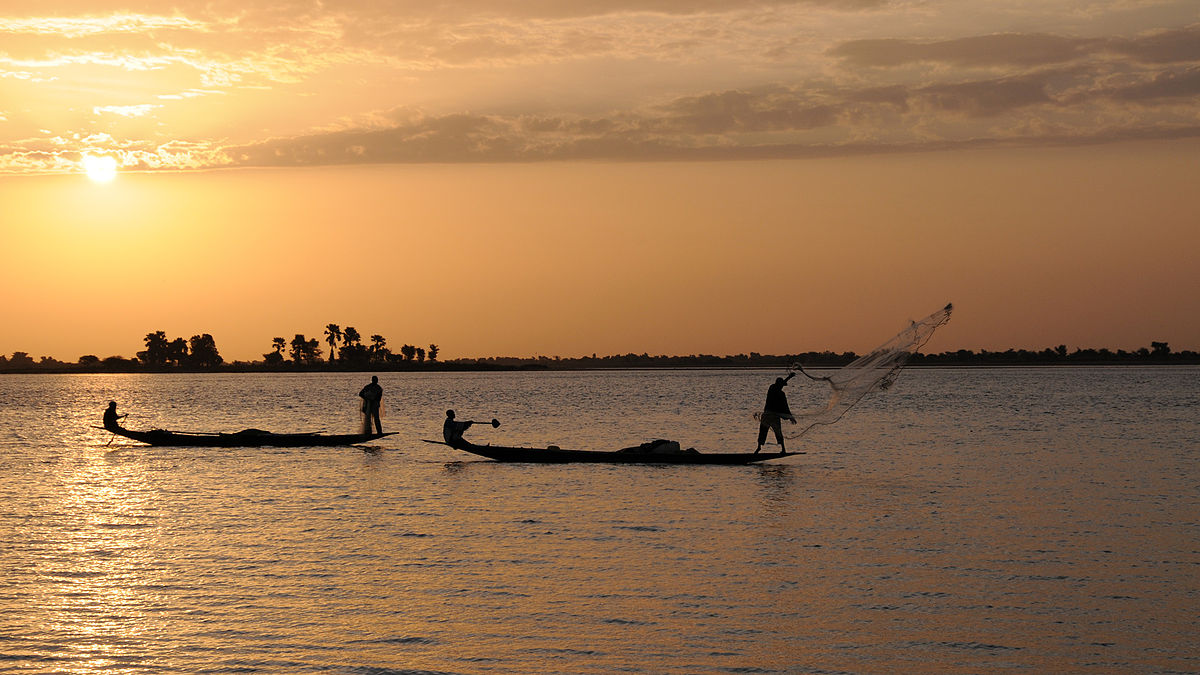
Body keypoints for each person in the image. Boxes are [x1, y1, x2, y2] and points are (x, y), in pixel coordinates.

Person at [756, 372, 797, 454]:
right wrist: (789, 377)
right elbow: (785, 407)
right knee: (768, 432)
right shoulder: (774, 389)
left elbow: (785, 406)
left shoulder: (774, 389)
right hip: (771, 416)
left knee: (771, 432)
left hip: (769, 416)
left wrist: (791, 417)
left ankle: (760, 448)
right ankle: (781, 449)